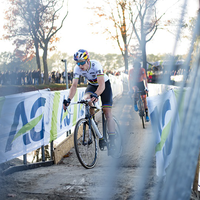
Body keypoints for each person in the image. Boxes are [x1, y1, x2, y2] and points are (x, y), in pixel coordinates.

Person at [63, 49, 116, 152]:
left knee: (107, 113)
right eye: (78, 63)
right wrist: (69, 99)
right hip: (91, 85)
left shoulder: (96, 65)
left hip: (104, 85)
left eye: (82, 62)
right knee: (86, 99)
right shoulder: (77, 69)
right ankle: (93, 122)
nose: (80, 65)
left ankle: (113, 141)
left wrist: (96, 94)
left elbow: (101, 85)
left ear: (88, 60)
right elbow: (74, 86)